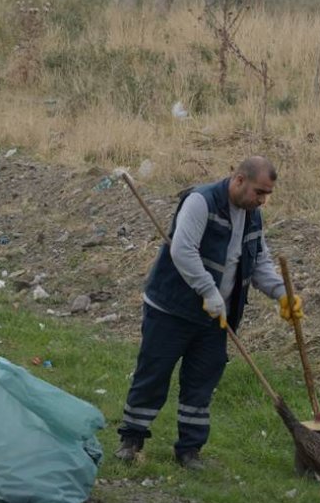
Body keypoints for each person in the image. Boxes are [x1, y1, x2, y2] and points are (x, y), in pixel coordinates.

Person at [115, 156, 304, 470]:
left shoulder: (253, 216)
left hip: (216, 317)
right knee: (153, 375)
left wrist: (283, 294)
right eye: (259, 192)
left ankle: (189, 451)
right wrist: (207, 290)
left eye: (267, 194)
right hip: (172, 309)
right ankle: (131, 441)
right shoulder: (200, 202)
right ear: (239, 180)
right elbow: (182, 250)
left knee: (201, 383)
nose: (262, 200)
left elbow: (258, 264)